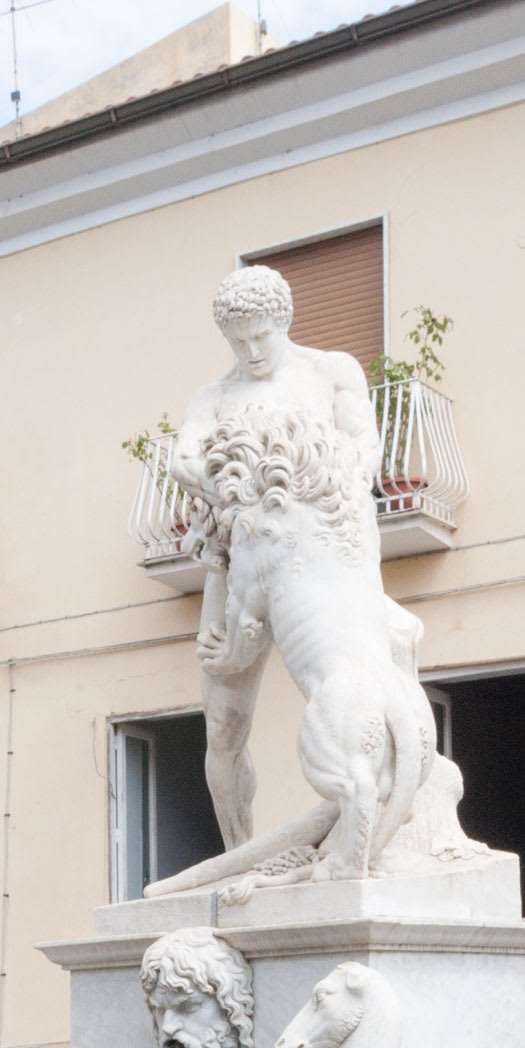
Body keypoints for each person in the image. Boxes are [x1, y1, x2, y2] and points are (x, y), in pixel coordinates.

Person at [168, 265, 386, 847]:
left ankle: (372, 827)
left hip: (323, 559)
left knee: (347, 685)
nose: (252, 351)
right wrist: (244, 493)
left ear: (282, 321)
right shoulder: (213, 397)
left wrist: (320, 494)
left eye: (261, 336)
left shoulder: (331, 372)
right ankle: (238, 852)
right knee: (222, 729)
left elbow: (364, 447)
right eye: (238, 341)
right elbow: (182, 460)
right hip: (237, 562)